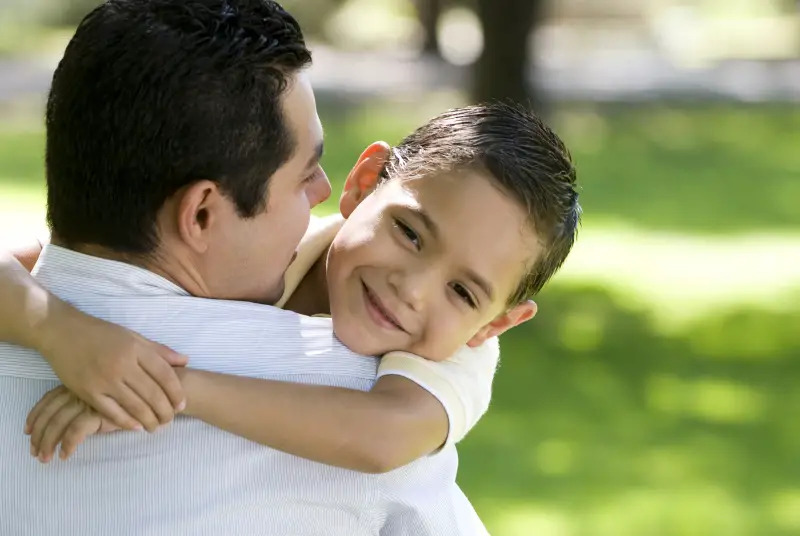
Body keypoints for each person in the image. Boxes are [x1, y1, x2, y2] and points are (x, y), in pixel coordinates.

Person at [0, 1, 491, 533]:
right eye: (304, 176)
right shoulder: (347, 406)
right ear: (203, 214)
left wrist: (51, 326)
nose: (325, 193)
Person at [9, 103, 580, 473]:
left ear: (494, 323)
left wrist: (170, 391)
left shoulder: (459, 360)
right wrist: (58, 329)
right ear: (361, 185)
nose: (413, 289)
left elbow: (381, 439)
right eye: (409, 233)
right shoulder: (271, 246)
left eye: (464, 292)